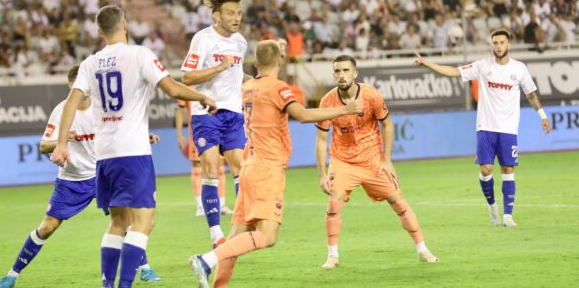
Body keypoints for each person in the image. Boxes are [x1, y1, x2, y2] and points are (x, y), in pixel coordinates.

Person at [50, 5, 216, 288]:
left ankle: (108, 285)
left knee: (118, 222)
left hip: (104, 156)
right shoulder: (139, 54)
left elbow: (71, 102)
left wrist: (61, 143)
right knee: (144, 222)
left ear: (100, 31)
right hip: (133, 152)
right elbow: (173, 89)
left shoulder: (90, 63)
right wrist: (202, 96)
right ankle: (124, 285)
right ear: (125, 25)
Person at [188, 40, 364, 288]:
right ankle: (206, 260)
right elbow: (302, 115)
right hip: (266, 170)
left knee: (235, 240)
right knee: (267, 236)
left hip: (248, 167)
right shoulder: (278, 88)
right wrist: (344, 110)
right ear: (280, 60)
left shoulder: (248, 87)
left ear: (256, 62)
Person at [0, 65, 162, 288]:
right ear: (70, 86)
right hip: (72, 180)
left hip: (103, 172)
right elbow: (44, 146)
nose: (81, 91)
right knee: (48, 227)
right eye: (76, 87)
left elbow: (122, 129)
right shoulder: (62, 111)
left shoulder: (102, 108)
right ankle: (12, 275)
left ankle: (145, 269)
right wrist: (61, 140)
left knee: (127, 221)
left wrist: (144, 137)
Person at [413, 29, 551, 227]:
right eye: (495, 42)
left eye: (502, 42)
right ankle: (492, 205)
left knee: (507, 167)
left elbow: (530, 94)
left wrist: (542, 116)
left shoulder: (519, 68)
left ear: (508, 44)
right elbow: (454, 71)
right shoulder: (482, 66)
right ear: (491, 45)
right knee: (486, 169)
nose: (498, 46)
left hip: (508, 128)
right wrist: (427, 63)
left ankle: (508, 216)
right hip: (485, 126)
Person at [315, 55, 439, 270]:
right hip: (342, 161)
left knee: (399, 203)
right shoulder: (327, 101)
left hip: (372, 161)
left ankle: (423, 249)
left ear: (355, 74)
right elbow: (321, 140)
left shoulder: (371, 95)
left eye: (345, 70)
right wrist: (322, 174)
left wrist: (387, 160)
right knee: (334, 203)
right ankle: (332, 256)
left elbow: (388, 125)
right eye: (337, 71)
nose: (341, 75)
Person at [180, 0, 247, 247]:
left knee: (241, 168)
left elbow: (238, 74)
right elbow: (187, 77)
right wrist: (219, 66)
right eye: (231, 13)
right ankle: (216, 234)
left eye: (239, 13)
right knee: (210, 168)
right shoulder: (202, 39)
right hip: (206, 113)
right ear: (216, 15)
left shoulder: (241, 42)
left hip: (233, 113)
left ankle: (239, 229)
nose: (236, 17)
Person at [176, 100, 233, 216]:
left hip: (217, 130)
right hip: (197, 132)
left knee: (220, 169)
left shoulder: (215, 84)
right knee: (198, 169)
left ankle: (221, 204)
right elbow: (180, 109)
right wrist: (179, 133)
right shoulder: (188, 88)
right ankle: (200, 206)